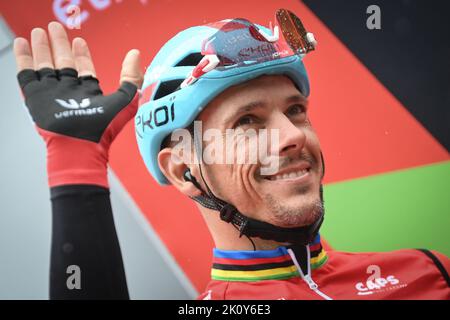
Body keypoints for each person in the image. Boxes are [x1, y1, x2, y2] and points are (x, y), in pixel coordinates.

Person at [14, 9, 449, 300]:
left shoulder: (430, 272)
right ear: (183, 168)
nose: (291, 136)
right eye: (248, 122)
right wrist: (76, 165)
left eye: (295, 110)